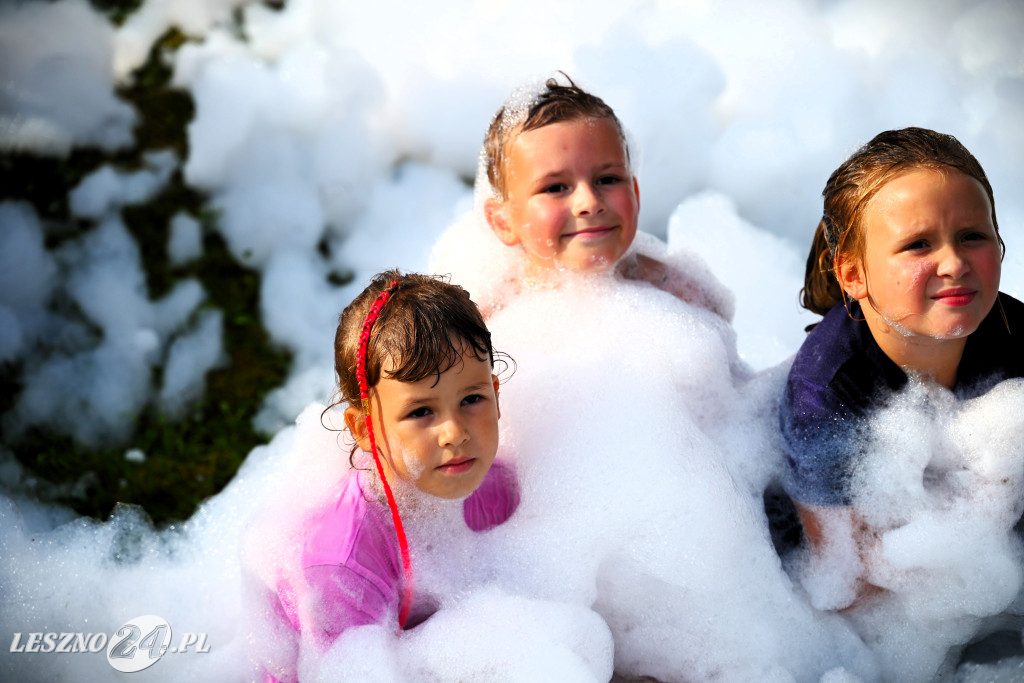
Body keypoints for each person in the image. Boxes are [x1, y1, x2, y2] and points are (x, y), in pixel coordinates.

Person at [780, 126, 1024, 603]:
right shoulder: (824, 394)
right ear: (853, 274)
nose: (954, 262)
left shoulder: (1016, 337)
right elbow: (846, 579)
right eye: (918, 245)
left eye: (972, 235)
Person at [255, 270, 519, 682]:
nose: (455, 433)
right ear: (364, 429)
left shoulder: (489, 481)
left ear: (496, 396)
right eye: (420, 412)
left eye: (472, 399)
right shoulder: (343, 563)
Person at [475, 74, 732, 319]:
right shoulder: (490, 317)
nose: (590, 202)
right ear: (503, 222)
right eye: (555, 188)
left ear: (636, 195)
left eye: (607, 180)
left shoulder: (680, 295)